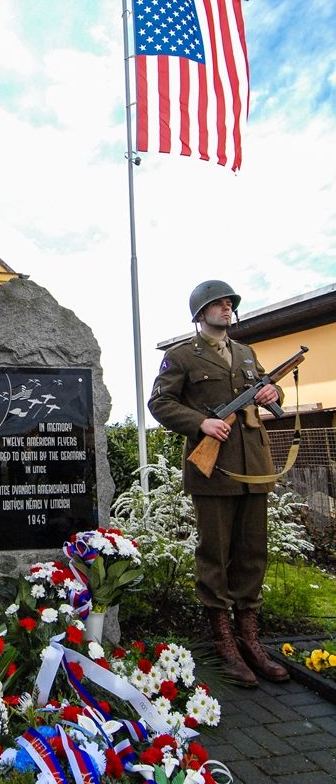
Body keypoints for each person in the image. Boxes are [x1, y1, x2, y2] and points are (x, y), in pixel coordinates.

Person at [148, 279, 289, 688]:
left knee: (252, 553)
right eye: (218, 304)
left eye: (229, 304)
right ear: (200, 312)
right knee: (214, 554)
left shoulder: (246, 353)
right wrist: (201, 422)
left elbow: (266, 384)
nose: (226, 309)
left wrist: (270, 390)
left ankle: (250, 638)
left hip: (254, 468)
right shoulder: (181, 357)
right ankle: (224, 643)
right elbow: (160, 403)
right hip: (213, 471)